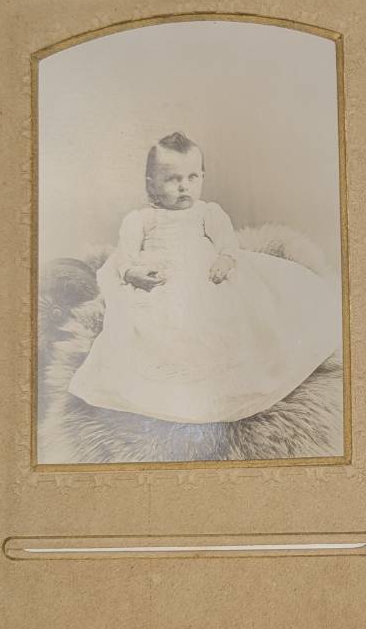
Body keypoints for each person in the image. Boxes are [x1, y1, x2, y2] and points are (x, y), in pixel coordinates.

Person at [68, 132, 341, 424]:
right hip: (160, 284)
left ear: (202, 177)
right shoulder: (141, 220)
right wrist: (133, 272)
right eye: (172, 179)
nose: (184, 186)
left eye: (192, 177)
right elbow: (125, 256)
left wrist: (225, 259)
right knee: (153, 328)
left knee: (226, 315)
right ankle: (174, 385)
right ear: (151, 184)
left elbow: (227, 243)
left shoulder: (206, 213)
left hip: (204, 278)